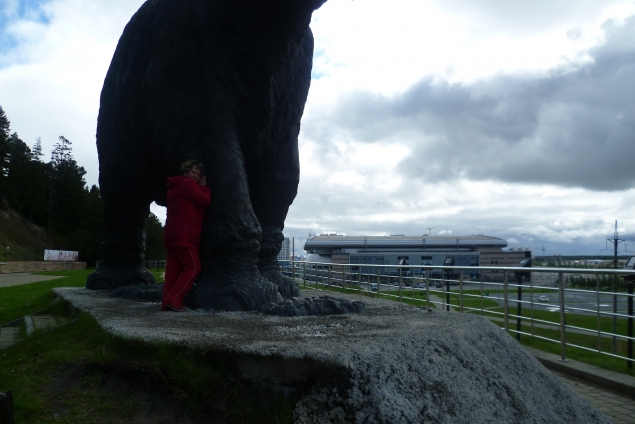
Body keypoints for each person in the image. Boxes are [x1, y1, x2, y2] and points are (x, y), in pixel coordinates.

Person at [162, 160, 211, 311]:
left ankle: (166, 303)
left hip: (173, 234)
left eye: (198, 173)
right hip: (185, 234)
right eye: (193, 172)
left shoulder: (174, 187)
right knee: (194, 267)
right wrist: (203, 185)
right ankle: (174, 299)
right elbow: (204, 200)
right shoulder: (188, 185)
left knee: (172, 271)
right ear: (185, 172)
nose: (196, 175)